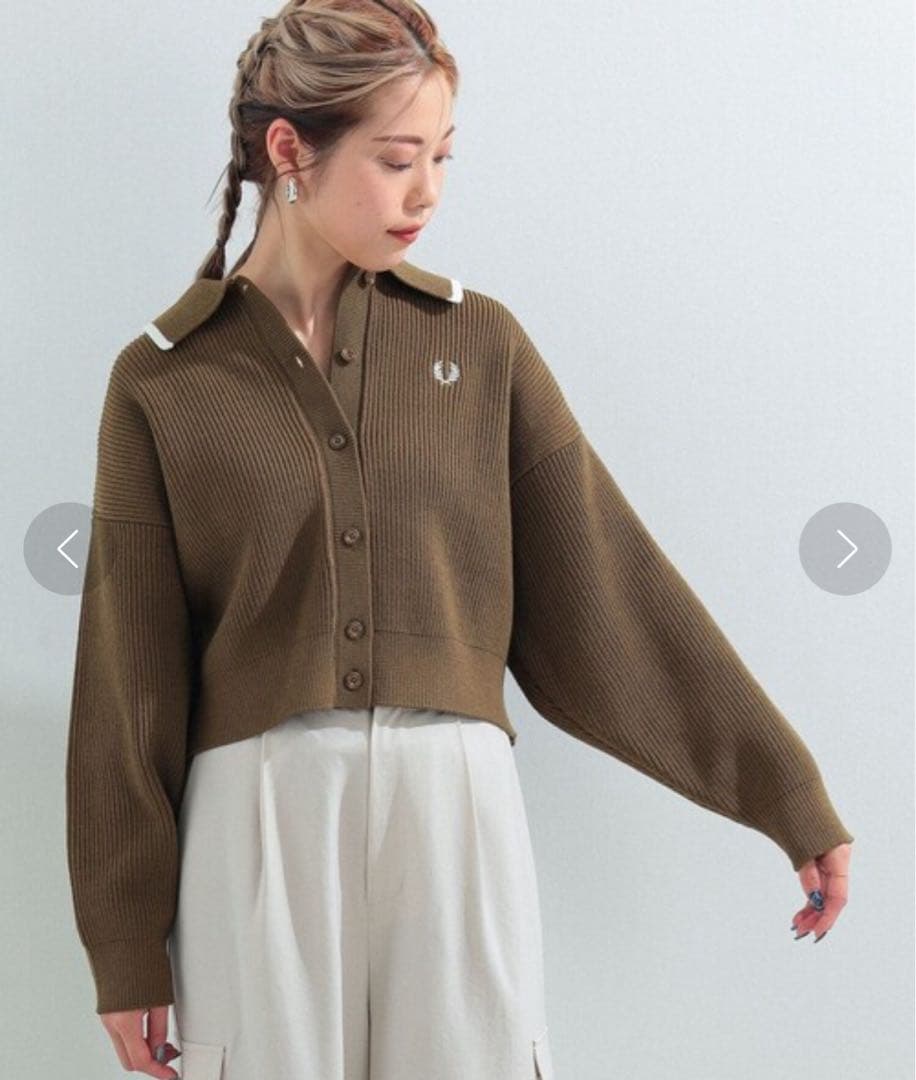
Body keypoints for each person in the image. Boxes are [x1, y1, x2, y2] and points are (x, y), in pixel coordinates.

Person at [65, 2, 854, 1078]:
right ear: (288, 150)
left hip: (454, 807)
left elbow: (609, 588)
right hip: (256, 822)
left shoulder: (480, 347)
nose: (427, 190)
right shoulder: (164, 379)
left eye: (442, 156)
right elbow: (128, 682)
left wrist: (783, 789)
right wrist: (123, 947)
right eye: (397, 160)